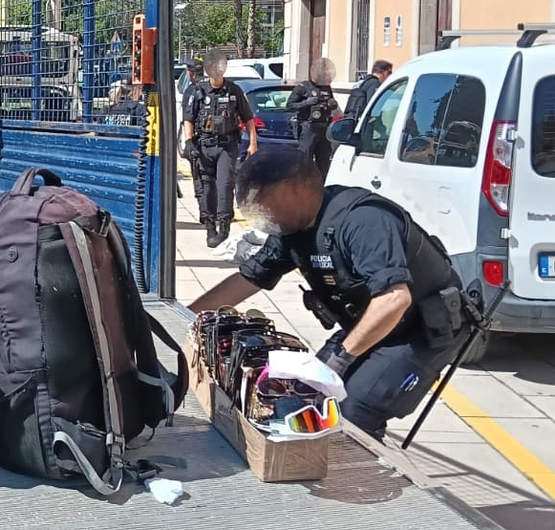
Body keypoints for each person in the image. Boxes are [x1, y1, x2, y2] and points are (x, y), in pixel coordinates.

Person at [188, 147, 476, 441]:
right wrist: (186, 318)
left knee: (353, 410)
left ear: (297, 191)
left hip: (420, 330)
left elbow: (395, 298)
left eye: (266, 206)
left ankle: (359, 466)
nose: (263, 216)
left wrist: (342, 357)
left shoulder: (363, 221)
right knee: (306, 397)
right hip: (371, 321)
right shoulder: (291, 229)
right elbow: (249, 278)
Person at [182, 58, 258, 248]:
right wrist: (189, 141)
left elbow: (248, 118)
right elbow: (188, 118)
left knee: (225, 185)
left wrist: (253, 143)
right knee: (206, 187)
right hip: (204, 146)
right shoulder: (198, 91)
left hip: (227, 146)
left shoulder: (234, 91)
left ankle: (224, 228)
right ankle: (210, 227)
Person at [287, 60, 339, 181]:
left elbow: (332, 105)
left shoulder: (326, 88)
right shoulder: (303, 87)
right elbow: (290, 105)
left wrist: (332, 104)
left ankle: (321, 185)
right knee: (304, 160)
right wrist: (307, 102)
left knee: (324, 162)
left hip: (324, 128)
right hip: (309, 128)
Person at [178, 58, 205, 201]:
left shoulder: (191, 90)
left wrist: (188, 142)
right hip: (216, 143)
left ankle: (204, 207)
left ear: (191, 73)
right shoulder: (210, 86)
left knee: (199, 178)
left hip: (197, 141)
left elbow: (188, 118)